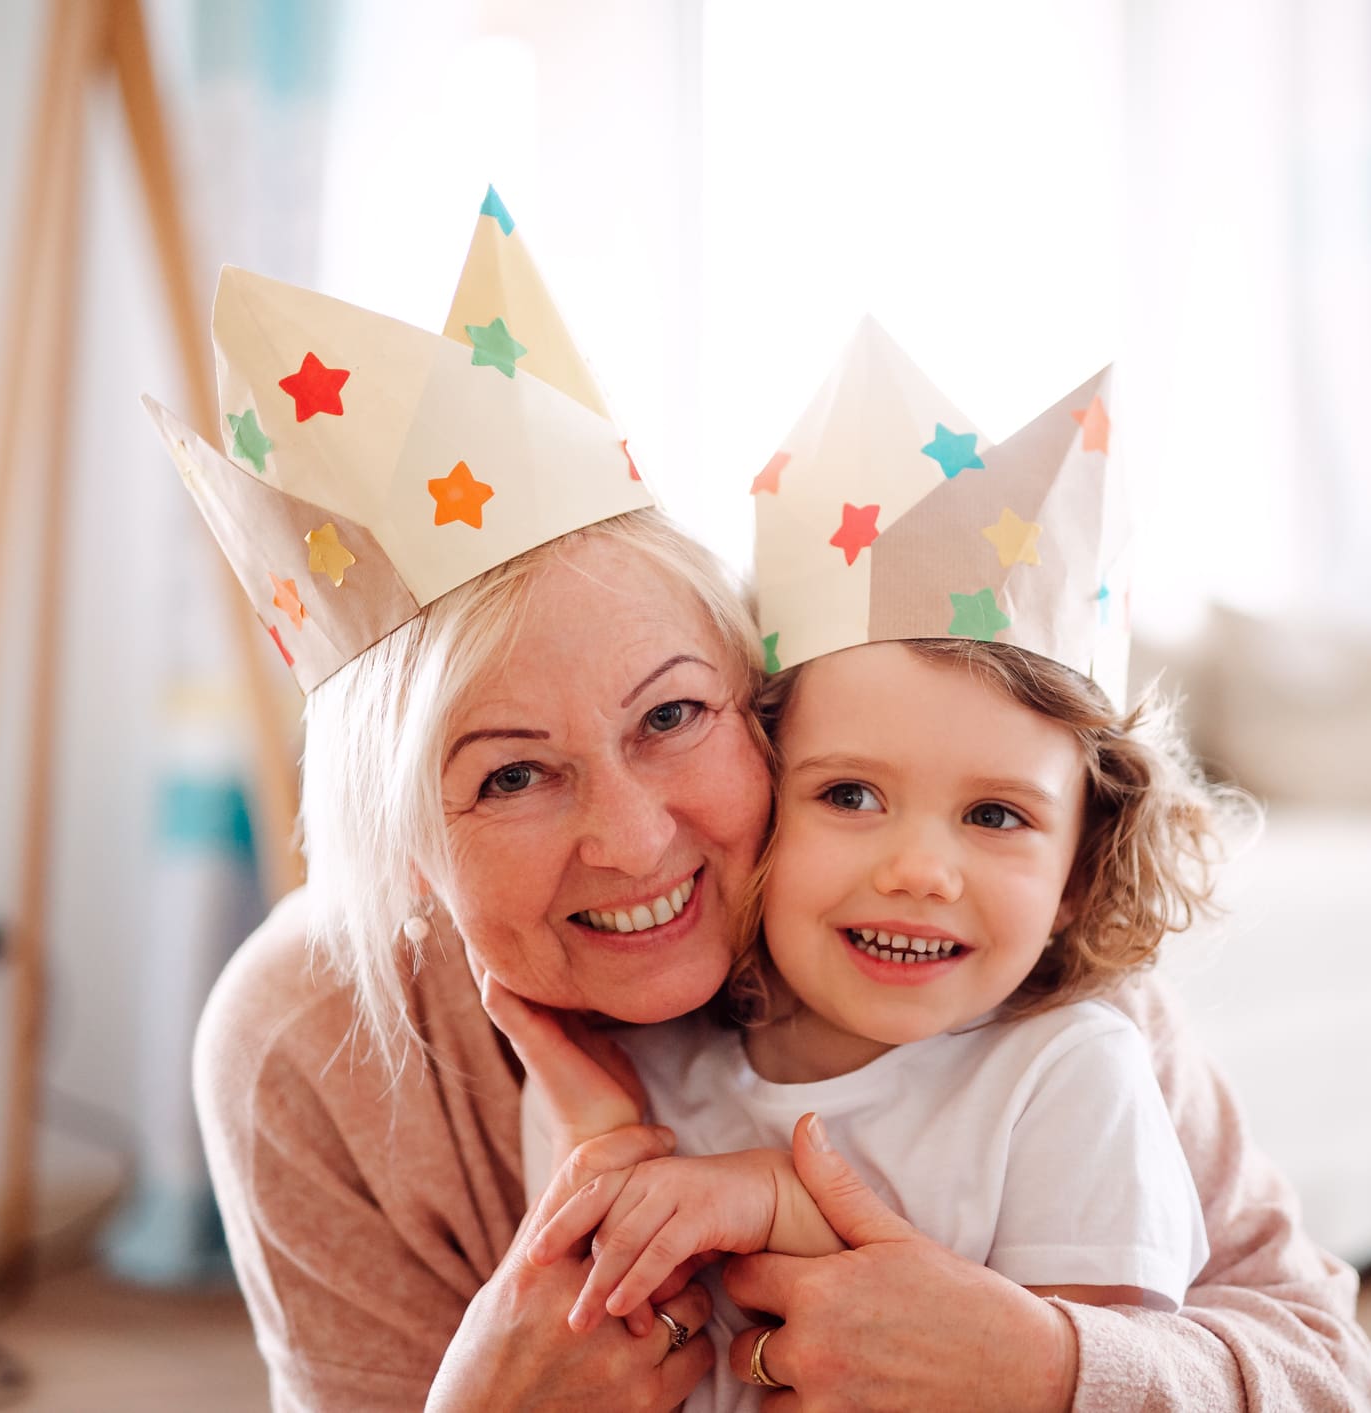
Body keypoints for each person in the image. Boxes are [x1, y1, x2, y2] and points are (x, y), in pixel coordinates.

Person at [171, 194, 1371, 1410]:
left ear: (757, 709)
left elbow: (1333, 1382)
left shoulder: (1004, 952)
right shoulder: (303, 1037)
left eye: (670, 716)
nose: (635, 842)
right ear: (404, 853)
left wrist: (1049, 1367)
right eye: (510, 775)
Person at [500, 320, 1241, 1411]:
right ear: (758, 800)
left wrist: (774, 1205)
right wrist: (608, 1144)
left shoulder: (1065, 1079)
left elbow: (1057, 1376)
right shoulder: (658, 1066)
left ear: (1082, 869)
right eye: (849, 796)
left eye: (994, 815)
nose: (919, 872)